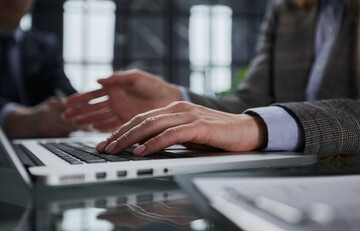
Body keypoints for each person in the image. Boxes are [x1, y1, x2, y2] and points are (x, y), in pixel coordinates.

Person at [63, 0, 360, 158]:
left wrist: (258, 127)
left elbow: (258, 119)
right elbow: (253, 103)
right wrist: (175, 100)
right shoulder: (287, 8)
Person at [0, 0, 78, 137]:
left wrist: (84, 107)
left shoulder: (46, 45)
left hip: (40, 141)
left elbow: (65, 90)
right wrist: (12, 117)